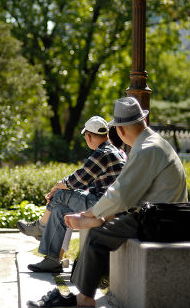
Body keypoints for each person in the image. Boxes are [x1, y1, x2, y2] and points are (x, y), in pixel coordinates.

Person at [27, 96, 188, 308]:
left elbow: (121, 195)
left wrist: (90, 216)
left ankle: (83, 297)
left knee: (98, 235)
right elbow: (130, 196)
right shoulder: (153, 143)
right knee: (99, 228)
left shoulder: (146, 150)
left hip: (162, 221)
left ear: (119, 130)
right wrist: (95, 217)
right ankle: (76, 291)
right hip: (165, 217)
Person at [17, 115, 126, 273]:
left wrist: (56, 187)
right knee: (59, 211)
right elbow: (83, 179)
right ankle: (52, 260)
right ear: (107, 134)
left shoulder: (102, 153)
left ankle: (41, 227)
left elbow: (77, 180)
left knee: (60, 194)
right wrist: (62, 187)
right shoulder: (114, 151)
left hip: (103, 206)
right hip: (108, 204)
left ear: (88, 136)